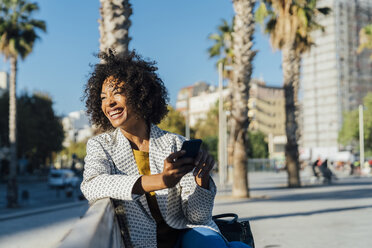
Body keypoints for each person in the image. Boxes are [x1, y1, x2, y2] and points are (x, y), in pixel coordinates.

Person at [81, 50, 250, 248]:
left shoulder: (175, 143)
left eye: (117, 93)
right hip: (141, 243)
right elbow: (91, 185)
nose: (108, 103)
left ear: (140, 94)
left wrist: (201, 181)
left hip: (185, 235)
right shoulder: (101, 145)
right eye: (103, 97)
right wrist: (162, 180)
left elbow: (197, 217)